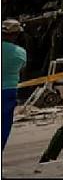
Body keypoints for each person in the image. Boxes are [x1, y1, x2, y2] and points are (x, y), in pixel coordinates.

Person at [2, 19, 27, 151]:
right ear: (16, 35)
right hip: (9, 92)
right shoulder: (21, 52)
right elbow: (22, 69)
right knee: (4, 127)